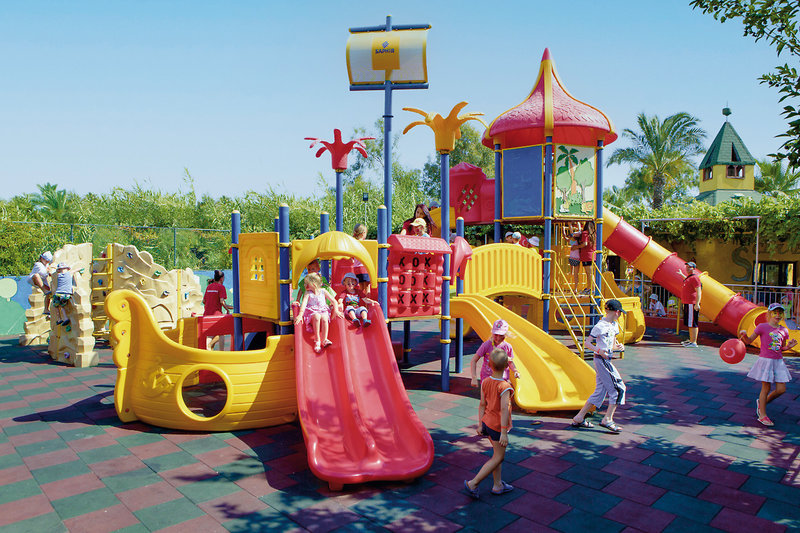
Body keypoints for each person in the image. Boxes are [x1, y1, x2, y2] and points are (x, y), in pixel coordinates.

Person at [464, 347, 515, 498]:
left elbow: (482, 404)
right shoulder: (505, 387)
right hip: (498, 427)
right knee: (499, 457)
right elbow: (504, 409)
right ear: (507, 366)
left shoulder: (485, 381)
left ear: (489, 365)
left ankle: (497, 485)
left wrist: (480, 424)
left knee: (496, 454)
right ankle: (473, 483)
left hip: (487, 422)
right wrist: (504, 432)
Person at [571, 299, 627, 433]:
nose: (620, 315)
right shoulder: (600, 326)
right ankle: (607, 419)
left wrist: (619, 347)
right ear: (617, 312)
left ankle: (579, 417)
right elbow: (587, 343)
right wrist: (599, 350)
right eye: (620, 312)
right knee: (619, 389)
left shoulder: (614, 325)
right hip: (601, 360)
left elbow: (612, 344)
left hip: (606, 359)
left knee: (600, 391)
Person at [739, 303, 798, 426]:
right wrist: (744, 335)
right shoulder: (762, 327)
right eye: (775, 312)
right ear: (769, 314)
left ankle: (762, 403)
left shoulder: (784, 330)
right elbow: (749, 340)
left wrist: (789, 347)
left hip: (778, 362)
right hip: (766, 361)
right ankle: (762, 415)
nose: (778, 315)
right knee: (766, 388)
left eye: (780, 313)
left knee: (781, 389)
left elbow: (781, 348)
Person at [295, 272, 341, 353]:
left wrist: (336, 310)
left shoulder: (323, 291)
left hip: (323, 311)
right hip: (312, 313)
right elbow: (304, 304)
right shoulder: (308, 293)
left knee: (325, 317)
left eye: (306, 284)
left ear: (314, 284)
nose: (304, 285)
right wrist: (300, 315)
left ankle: (325, 339)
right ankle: (317, 340)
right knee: (317, 316)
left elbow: (334, 301)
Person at [470, 319, 519, 387]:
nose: (498, 338)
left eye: (501, 335)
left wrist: (515, 371)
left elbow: (510, 361)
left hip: (502, 379)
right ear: (492, 333)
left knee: (502, 393)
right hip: (487, 378)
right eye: (496, 335)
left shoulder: (507, 347)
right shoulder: (486, 345)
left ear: (506, 334)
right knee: (487, 393)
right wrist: (474, 378)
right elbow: (474, 360)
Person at [203, 270, 233, 350]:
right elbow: (221, 301)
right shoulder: (221, 287)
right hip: (216, 315)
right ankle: (220, 351)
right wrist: (227, 310)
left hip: (207, 314)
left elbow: (204, 301)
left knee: (210, 334)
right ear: (221, 278)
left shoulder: (209, 287)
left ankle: (208, 349)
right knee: (221, 333)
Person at [678, 261, 703, 347]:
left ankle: (694, 342)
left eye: (690, 267)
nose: (688, 268)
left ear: (694, 268)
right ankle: (691, 340)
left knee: (693, 323)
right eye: (687, 267)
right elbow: (688, 280)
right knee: (690, 322)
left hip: (691, 303)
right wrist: (681, 274)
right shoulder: (689, 278)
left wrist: (697, 303)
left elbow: (699, 291)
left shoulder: (695, 278)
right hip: (687, 303)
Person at [351, 223, 371, 294]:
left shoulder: (354, 243)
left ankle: (361, 300)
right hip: (364, 267)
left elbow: (351, 256)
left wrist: (353, 261)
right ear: (363, 233)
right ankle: (367, 300)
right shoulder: (364, 243)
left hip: (356, 268)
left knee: (361, 287)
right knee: (367, 287)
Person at [578, 220, 596, 295]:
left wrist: (577, 247)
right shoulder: (594, 234)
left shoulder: (585, 233)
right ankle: (589, 288)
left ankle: (592, 289)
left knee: (589, 273)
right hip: (593, 255)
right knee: (590, 273)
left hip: (586, 255)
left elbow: (585, 244)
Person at [563, 224, 582, 289]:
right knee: (576, 275)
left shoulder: (572, 242)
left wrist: (563, 230)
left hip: (571, 259)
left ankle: (571, 272)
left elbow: (565, 237)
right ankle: (575, 288)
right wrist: (578, 224)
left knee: (572, 273)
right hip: (577, 259)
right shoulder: (578, 242)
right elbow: (578, 231)